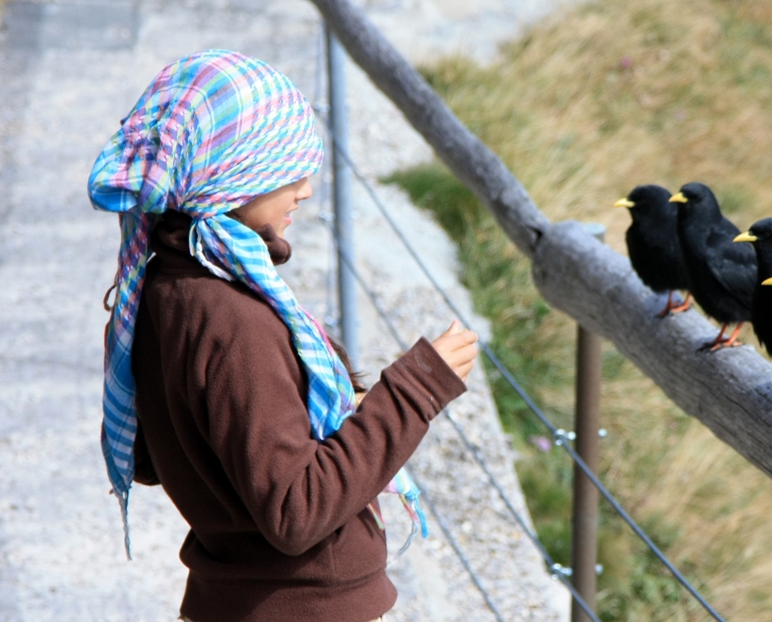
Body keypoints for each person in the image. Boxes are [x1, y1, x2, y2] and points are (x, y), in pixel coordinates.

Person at [88, 49, 479, 622]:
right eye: (287, 170)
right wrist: (415, 391)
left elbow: (160, 452)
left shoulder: (161, 286)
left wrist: (349, 410)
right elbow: (297, 509)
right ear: (233, 173)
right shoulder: (233, 319)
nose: (306, 189)